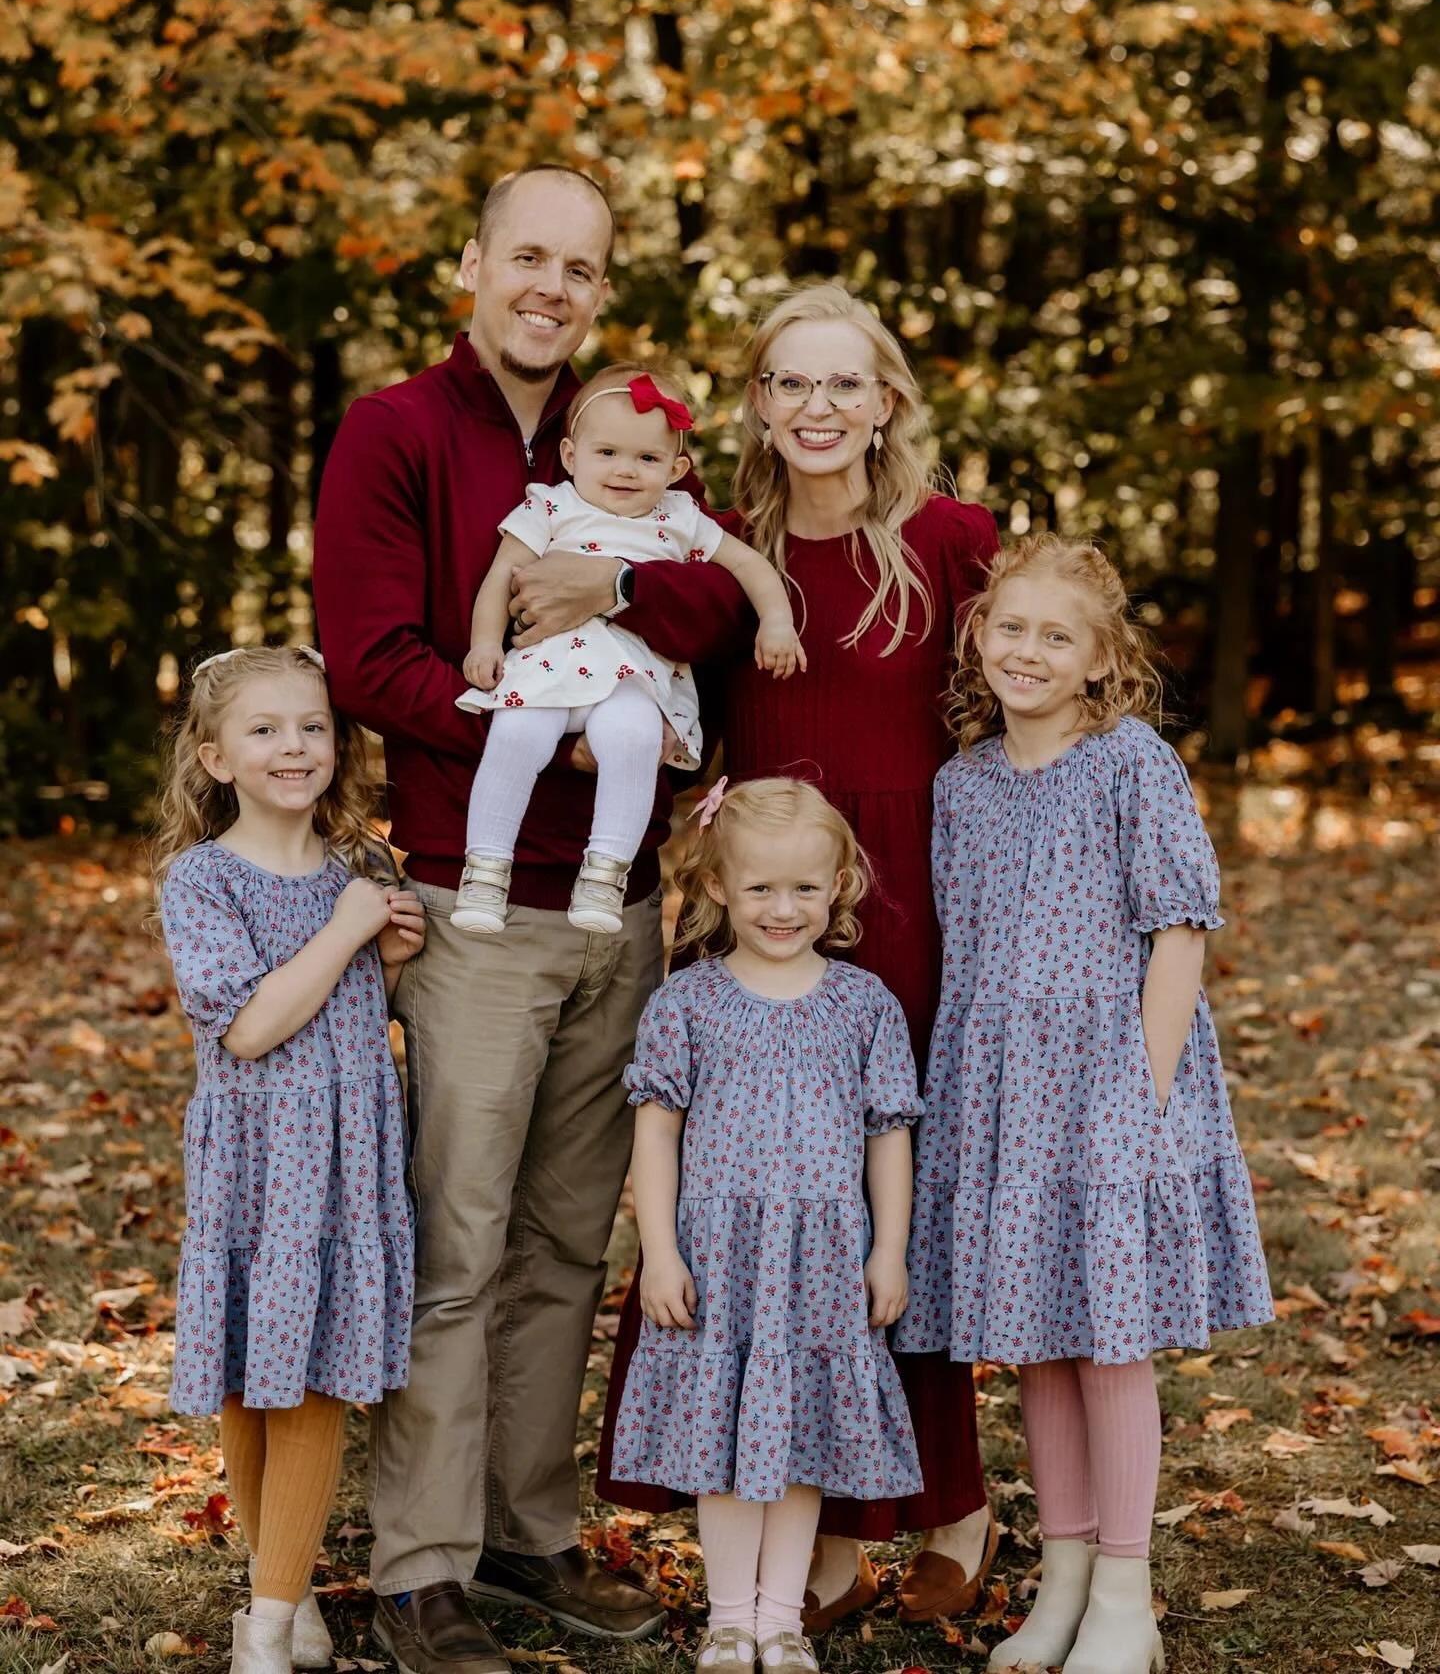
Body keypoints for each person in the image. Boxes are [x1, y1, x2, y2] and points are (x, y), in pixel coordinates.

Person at [313, 167, 749, 1674]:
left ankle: (527, 1529)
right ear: (475, 265)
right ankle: (419, 1563)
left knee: (571, 1237)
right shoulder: (396, 434)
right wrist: (545, 728)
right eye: (529, 258)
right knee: (461, 1234)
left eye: (580, 266)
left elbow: (722, 612)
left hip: (620, 907)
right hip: (471, 903)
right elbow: (371, 659)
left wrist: (612, 582)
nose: (552, 287)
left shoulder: (626, 439)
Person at [599, 283, 1000, 1628]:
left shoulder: (952, 542)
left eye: (845, 384)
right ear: (758, 406)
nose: (818, 408)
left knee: (895, 1199)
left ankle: (950, 1496)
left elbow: (1030, 711)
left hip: (918, 902)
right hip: (763, 899)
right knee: (769, 1209)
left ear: (887, 399)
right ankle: (814, 1519)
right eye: (791, 384)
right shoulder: (721, 552)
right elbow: (652, 696)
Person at [894, 533, 1273, 1674]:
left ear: (1104, 661)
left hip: (1110, 1083)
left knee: (1107, 1344)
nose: (1028, 650)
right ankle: (1059, 1581)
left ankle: (1124, 1595)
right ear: (976, 636)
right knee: (1038, 1347)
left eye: (1058, 635)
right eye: (1009, 627)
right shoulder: (959, 786)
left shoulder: (1131, 765)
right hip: (1000, 1094)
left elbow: (1179, 934)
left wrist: (1143, 1099)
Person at [610, 778, 923, 1674]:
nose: (783, 910)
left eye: (804, 889)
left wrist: (888, 1249)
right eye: (759, 889)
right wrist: (659, 1250)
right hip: (718, 1258)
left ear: (838, 889)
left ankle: (783, 1616)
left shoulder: (863, 1005)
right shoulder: (688, 1003)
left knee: (799, 1441)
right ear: (715, 888)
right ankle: (728, 1617)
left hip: (823, 1260)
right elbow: (657, 1131)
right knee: (721, 1441)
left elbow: (887, 1136)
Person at [153, 645, 423, 1674]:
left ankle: (267, 1623)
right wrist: (350, 930)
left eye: (312, 726)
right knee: (249, 1377)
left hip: (346, 1160)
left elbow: (357, 1014)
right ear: (217, 757)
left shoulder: (365, 868)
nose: (293, 747)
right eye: (264, 730)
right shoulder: (202, 879)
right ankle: (282, 1593)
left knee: (309, 1379)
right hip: (258, 1158)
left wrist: (385, 961)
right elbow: (252, 1028)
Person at [454, 364, 804, 936]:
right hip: (550, 668)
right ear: (570, 455)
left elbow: (748, 566)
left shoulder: (680, 517)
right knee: (516, 736)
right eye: (608, 452)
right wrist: (485, 642)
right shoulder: (550, 507)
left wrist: (777, 622)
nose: (625, 470)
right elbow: (501, 576)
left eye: (646, 459)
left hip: (632, 678)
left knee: (635, 738)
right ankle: (486, 867)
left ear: (676, 469)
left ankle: (606, 872)